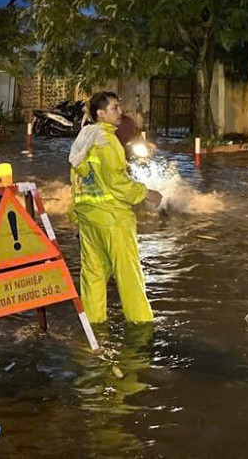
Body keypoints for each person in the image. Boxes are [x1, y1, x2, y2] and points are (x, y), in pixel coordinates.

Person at [69, 91, 162, 324]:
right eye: (114, 108)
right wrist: (146, 192)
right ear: (100, 114)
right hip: (113, 220)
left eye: (119, 107)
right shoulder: (107, 141)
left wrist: (76, 214)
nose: (120, 112)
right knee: (129, 274)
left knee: (93, 276)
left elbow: (77, 181)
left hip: (89, 219)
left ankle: (94, 325)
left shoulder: (83, 139)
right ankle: (142, 325)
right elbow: (117, 181)